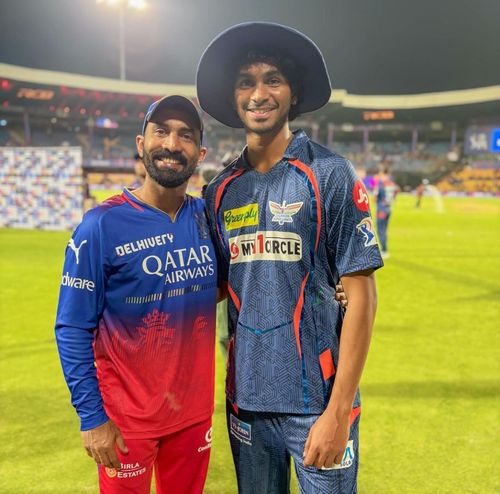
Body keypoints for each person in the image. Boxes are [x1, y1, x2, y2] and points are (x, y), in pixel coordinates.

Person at [197, 22, 383, 493]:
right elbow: (219, 286)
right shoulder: (218, 191)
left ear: (292, 93)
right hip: (246, 405)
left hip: (316, 405)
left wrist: (339, 411)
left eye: (272, 79)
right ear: (235, 97)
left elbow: (362, 298)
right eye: (246, 81)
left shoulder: (330, 173)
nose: (259, 93)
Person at [55, 95, 217, 494]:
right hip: (127, 420)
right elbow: (73, 327)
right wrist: (92, 418)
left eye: (185, 135)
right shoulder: (101, 225)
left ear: (200, 152)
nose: (172, 144)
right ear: (141, 143)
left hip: (194, 414)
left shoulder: (208, 220)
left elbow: (241, 280)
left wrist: (331, 287)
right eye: (161, 131)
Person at [374, 165, 398, 258]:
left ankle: (384, 250)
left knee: (381, 230)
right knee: (384, 230)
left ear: (384, 174)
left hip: (381, 209)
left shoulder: (381, 184)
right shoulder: (391, 184)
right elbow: (396, 192)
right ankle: (384, 249)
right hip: (388, 208)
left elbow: (375, 197)